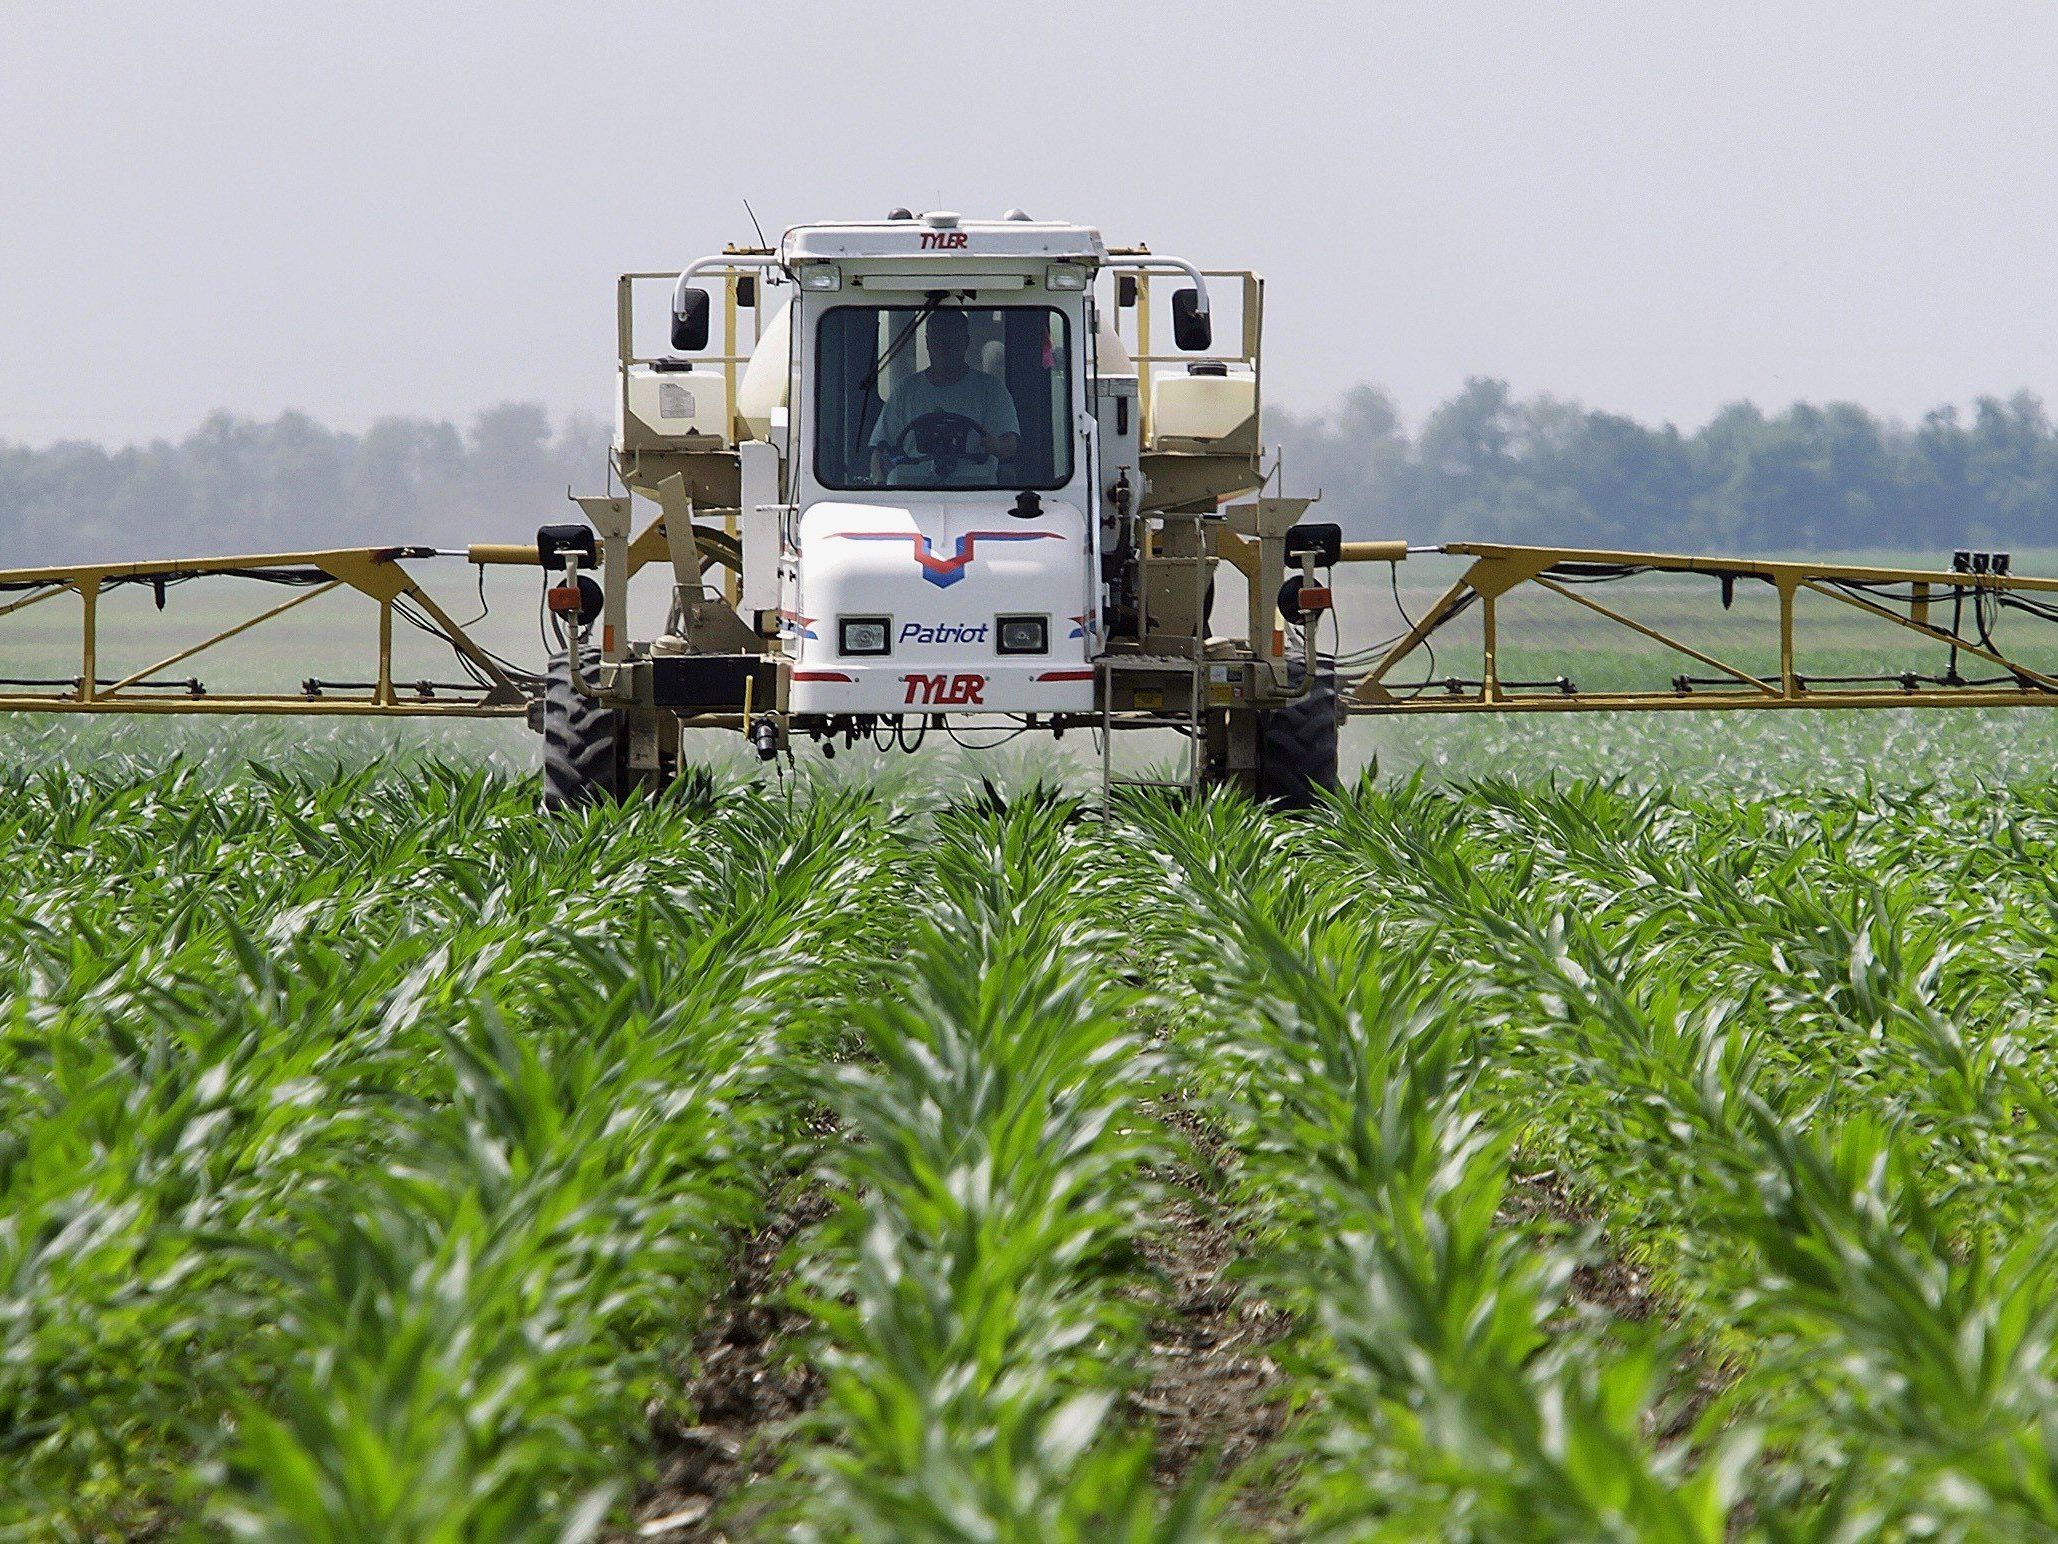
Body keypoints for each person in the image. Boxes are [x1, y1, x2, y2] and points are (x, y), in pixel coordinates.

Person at [869, 309, 1020, 486]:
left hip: (975, 492)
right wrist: (878, 481)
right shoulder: (905, 390)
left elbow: (1010, 444)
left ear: (965, 342)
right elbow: (880, 447)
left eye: (952, 340)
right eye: (938, 339)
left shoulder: (991, 389)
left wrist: (996, 446)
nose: (944, 346)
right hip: (909, 490)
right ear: (927, 342)